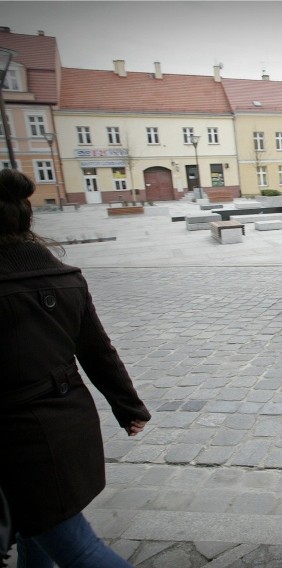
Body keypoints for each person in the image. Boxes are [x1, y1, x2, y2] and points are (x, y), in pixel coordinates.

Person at [0, 168, 150, 567]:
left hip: (21, 442)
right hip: (70, 425)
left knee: (78, 549)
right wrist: (129, 407)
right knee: (38, 537)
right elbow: (98, 351)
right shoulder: (66, 277)